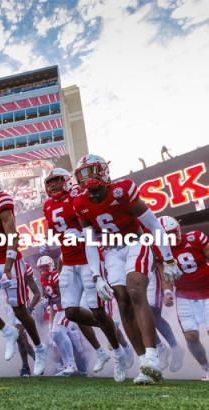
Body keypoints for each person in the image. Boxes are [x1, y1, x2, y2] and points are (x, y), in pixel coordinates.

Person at [73, 154, 181, 384]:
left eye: (92, 171)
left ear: (104, 171)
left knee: (135, 291)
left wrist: (169, 258)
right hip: (111, 251)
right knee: (121, 301)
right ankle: (145, 363)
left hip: (136, 243)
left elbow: (153, 224)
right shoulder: (80, 203)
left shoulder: (122, 189)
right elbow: (90, 242)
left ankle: (153, 355)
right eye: (83, 174)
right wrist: (96, 276)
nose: (88, 178)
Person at [42, 167, 127, 382]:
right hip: (68, 262)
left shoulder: (78, 197)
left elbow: (96, 228)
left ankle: (118, 352)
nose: (52, 185)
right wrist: (48, 240)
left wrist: (79, 233)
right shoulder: (48, 205)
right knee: (71, 312)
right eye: (49, 182)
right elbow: (55, 231)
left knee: (97, 312)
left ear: (68, 180)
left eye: (57, 180)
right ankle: (109, 332)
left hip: (88, 260)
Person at [0, 173, 47, 376]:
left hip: (10, 261)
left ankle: (40, 349)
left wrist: (7, 268)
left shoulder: (2, 200)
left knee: (20, 311)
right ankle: (8, 331)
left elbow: (12, 235)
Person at [159, 216, 209, 380]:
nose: (172, 238)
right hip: (185, 295)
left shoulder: (195, 237)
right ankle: (206, 368)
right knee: (191, 336)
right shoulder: (161, 251)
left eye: (173, 234)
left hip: (207, 289)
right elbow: (165, 278)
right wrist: (167, 293)